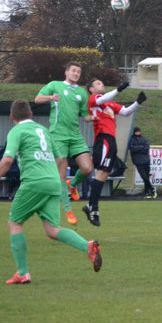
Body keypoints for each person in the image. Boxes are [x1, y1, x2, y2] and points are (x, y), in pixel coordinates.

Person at [0, 99, 102, 284]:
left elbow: (7, 160)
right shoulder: (43, 130)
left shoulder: (17, 131)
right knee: (52, 229)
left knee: (15, 223)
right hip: (52, 183)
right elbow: (59, 158)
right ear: (31, 115)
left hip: (34, 182)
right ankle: (87, 246)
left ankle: (23, 272)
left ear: (11, 117)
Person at [34, 62, 110, 225]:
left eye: (79, 72)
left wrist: (95, 117)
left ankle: (72, 184)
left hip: (75, 135)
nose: (76, 73)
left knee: (87, 168)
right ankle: (68, 210)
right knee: (61, 171)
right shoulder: (55, 85)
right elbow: (37, 99)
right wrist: (50, 97)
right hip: (58, 135)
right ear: (67, 72)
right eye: (73, 71)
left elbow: (85, 115)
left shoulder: (82, 93)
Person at [81, 79, 146, 226]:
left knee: (103, 174)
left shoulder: (109, 104)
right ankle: (93, 208)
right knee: (101, 172)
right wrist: (118, 89)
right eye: (98, 84)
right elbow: (103, 98)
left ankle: (91, 206)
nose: (102, 85)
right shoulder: (94, 99)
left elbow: (126, 112)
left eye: (102, 83)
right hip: (103, 138)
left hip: (111, 140)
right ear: (91, 89)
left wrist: (138, 102)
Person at [129, 127, 157, 199]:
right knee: (144, 176)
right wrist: (141, 147)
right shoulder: (132, 140)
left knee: (146, 177)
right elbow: (132, 149)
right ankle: (152, 188)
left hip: (146, 161)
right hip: (138, 161)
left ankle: (147, 192)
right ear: (134, 132)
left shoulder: (144, 139)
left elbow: (146, 148)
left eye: (139, 131)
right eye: (137, 131)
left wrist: (138, 148)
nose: (138, 133)